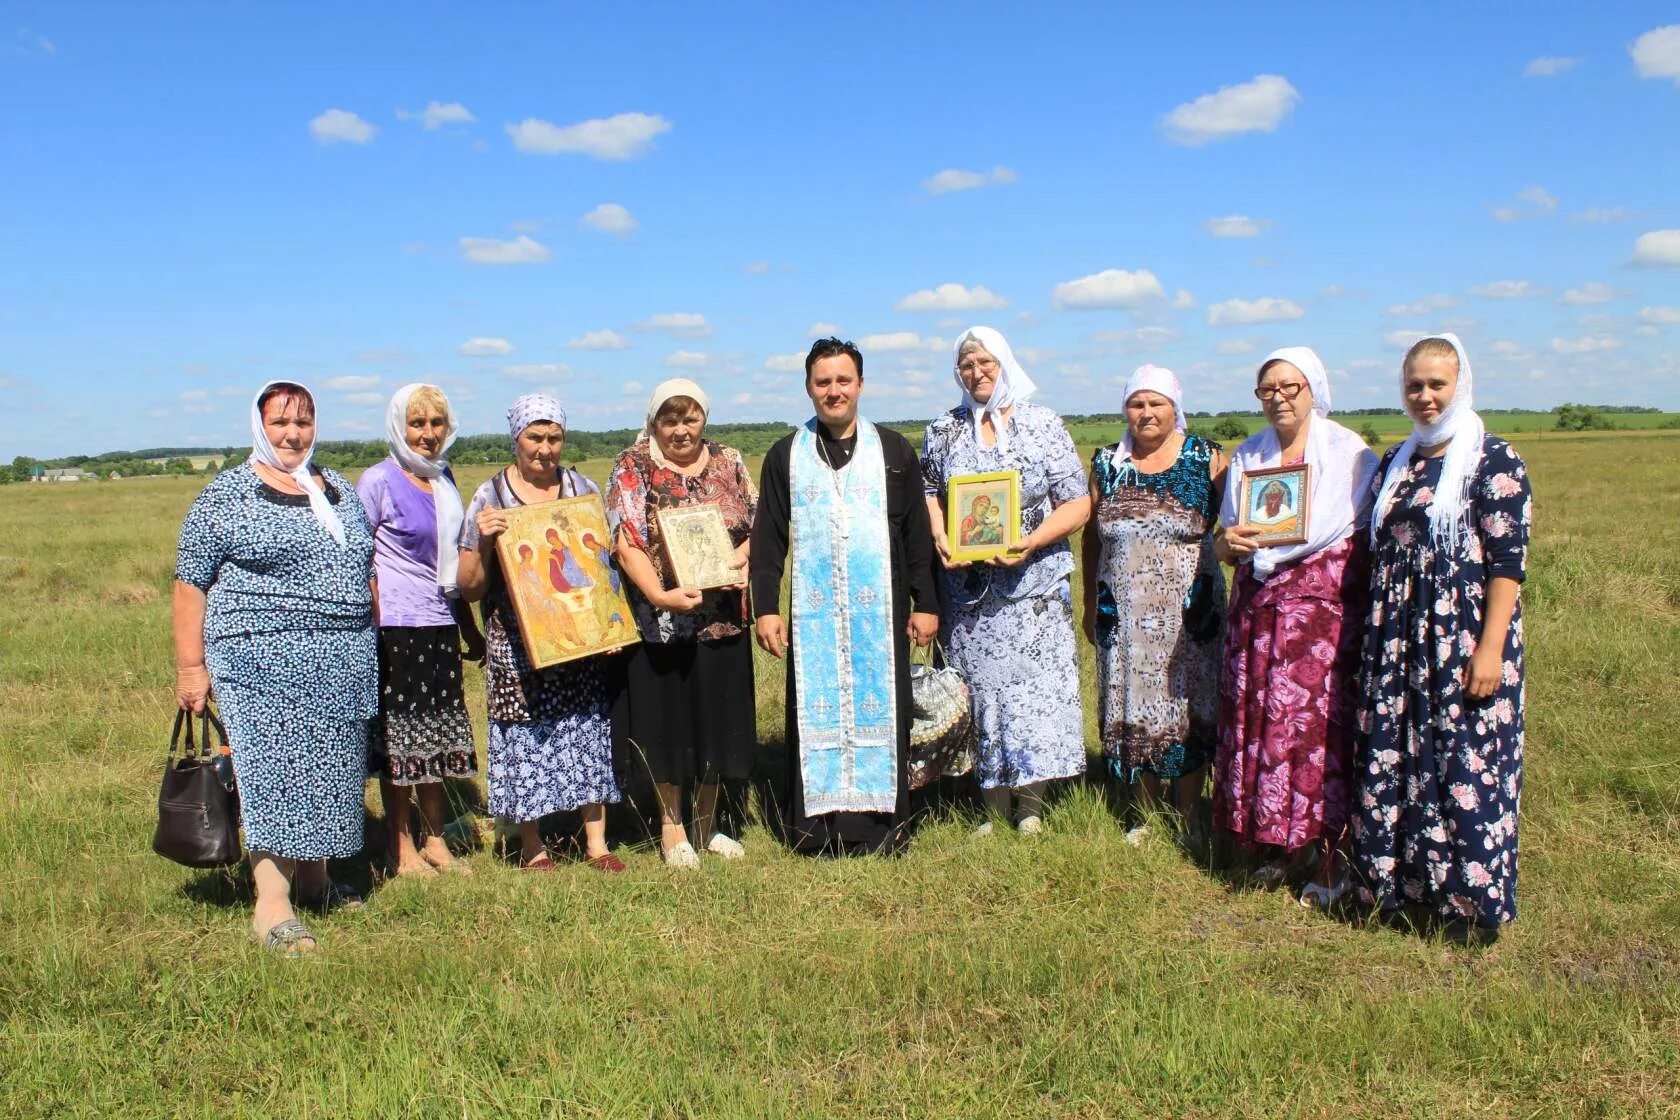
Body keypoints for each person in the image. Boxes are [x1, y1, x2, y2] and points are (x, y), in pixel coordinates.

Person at [173, 381, 377, 955]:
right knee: (277, 776)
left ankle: (315, 880)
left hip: (344, 659)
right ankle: (271, 906)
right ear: (260, 426)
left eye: (303, 422)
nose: (292, 434)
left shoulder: (333, 486)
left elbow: (363, 567)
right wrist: (192, 669)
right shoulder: (227, 494)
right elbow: (190, 583)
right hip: (260, 662)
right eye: (281, 422)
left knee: (333, 774)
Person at [1351, 334, 1530, 944]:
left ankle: (1470, 908)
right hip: (1395, 636)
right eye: (1414, 386)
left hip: (1460, 635)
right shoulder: (1397, 462)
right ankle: (1396, 889)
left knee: (1462, 763)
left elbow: (1507, 564)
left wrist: (1490, 649)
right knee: (1393, 756)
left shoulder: (1493, 461)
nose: (1425, 397)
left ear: (1461, 385)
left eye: (1436, 385)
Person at [750, 337, 940, 855]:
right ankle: (816, 830)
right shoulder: (786, 454)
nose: (834, 391)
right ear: (809, 388)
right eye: (822, 382)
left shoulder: (895, 450)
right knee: (816, 711)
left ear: (860, 384)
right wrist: (765, 607)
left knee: (884, 708)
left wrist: (926, 603)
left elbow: (915, 535)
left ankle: (883, 828)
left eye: (843, 380)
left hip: (880, 611)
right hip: (813, 617)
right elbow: (768, 537)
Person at [1212, 348, 1379, 905]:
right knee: (1263, 729)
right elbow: (1230, 536)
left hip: (1321, 623)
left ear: (1314, 390)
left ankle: (1333, 861)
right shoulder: (1249, 455)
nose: (1279, 397)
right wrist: (1228, 543)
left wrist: (1287, 561)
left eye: (1291, 386)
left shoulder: (1349, 454)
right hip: (1258, 615)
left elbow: (1354, 535)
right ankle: (1282, 848)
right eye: (1268, 389)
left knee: (1317, 736)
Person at [922, 327, 1090, 834]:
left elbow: (1078, 501)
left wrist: (1034, 541)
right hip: (970, 597)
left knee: (1031, 695)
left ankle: (1031, 806)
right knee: (980, 694)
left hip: (1032, 589)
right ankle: (991, 807)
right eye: (967, 364)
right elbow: (929, 490)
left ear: (1006, 363)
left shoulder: (1043, 424)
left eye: (986, 362)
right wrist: (941, 537)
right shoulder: (944, 429)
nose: (976, 372)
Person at [457, 393, 625, 873]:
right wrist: (485, 542)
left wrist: (612, 620)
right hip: (516, 640)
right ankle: (533, 845)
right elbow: (469, 587)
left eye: (554, 437)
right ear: (517, 438)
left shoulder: (581, 488)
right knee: (526, 731)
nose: (545, 448)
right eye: (535, 437)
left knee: (587, 724)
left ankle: (597, 842)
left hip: (580, 636)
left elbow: (604, 564)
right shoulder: (490, 497)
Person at [606, 379, 758, 868]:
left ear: (704, 419)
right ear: (654, 422)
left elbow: (760, 524)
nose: (681, 429)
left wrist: (741, 562)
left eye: (690, 418)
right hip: (662, 623)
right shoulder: (633, 465)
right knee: (667, 724)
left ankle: (706, 823)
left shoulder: (730, 460)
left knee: (716, 722)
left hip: (722, 622)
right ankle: (672, 829)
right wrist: (659, 595)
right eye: (670, 419)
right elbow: (626, 540)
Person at [1082, 365, 1226, 845]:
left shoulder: (1206, 458)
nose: (1146, 413)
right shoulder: (1106, 462)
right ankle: (1143, 812)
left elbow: (1237, 523)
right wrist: (1088, 602)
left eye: (1156, 403)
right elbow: (1090, 540)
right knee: (1132, 703)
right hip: (1123, 613)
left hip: (1189, 613)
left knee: (1189, 705)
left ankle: (1189, 816)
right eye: (1137, 403)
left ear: (1174, 407)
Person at [355, 383, 482, 879]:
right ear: (398, 427)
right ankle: (400, 847)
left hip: (440, 623)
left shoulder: (444, 478)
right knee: (400, 740)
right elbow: (358, 559)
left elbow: (452, 562)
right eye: (417, 423)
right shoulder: (378, 481)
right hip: (397, 628)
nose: (428, 434)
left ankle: (435, 840)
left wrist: (467, 627)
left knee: (439, 735)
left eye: (436, 424)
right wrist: (375, 622)